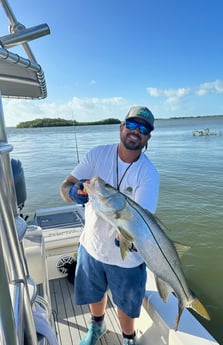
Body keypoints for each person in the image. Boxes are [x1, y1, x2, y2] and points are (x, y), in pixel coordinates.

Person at [60, 106, 159, 345]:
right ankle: (98, 326)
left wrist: (126, 237)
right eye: (132, 125)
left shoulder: (148, 174)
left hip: (126, 258)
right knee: (94, 294)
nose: (136, 131)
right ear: (122, 128)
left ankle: (128, 338)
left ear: (147, 137)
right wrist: (72, 193)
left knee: (126, 305)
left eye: (143, 128)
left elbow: (138, 221)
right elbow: (66, 185)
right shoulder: (97, 155)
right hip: (91, 246)